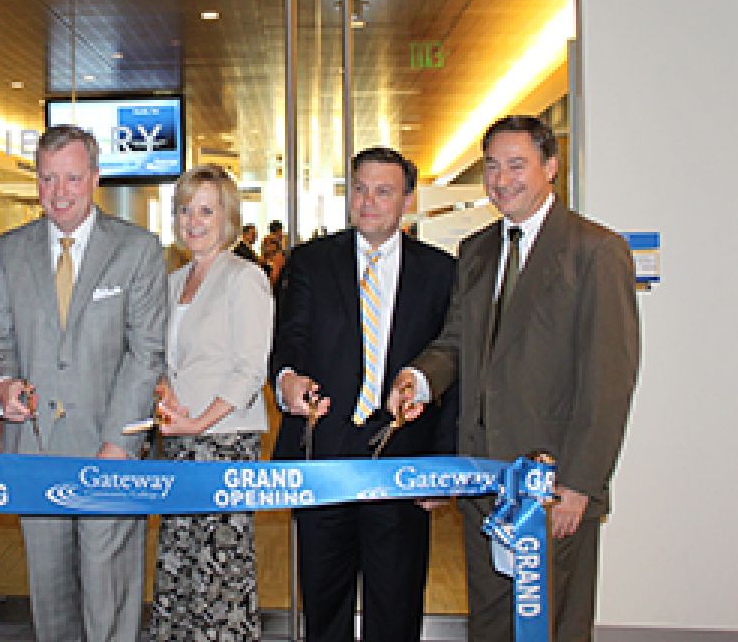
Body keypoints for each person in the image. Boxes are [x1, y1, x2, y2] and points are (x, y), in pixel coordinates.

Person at [387, 115, 639, 642]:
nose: (501, 180)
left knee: (554, 623)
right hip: (486, 481)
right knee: (492, 623)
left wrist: (578, 484)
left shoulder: (595, 251)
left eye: (516, 165)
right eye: (493, 167)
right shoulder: (477, 250)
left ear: (551, 166)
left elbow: (609, 380)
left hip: (553, 489)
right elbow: (456, 342)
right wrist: (418, 379)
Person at [0, 124, 166, 642]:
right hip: (34, 450)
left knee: (108, 594)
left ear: (95, 177)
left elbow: (146, 351)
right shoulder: (10, 252)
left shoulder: (137, 249)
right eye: (47, 179)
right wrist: (4, 387)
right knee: (50, 598)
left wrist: (119, 441)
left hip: (108, 447)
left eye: (71, 178)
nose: (59, 192)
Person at [270, 147, 456, 642]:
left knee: (395, 609)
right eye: (359, 189)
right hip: (325, 455)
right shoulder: (312, 261)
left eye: (383, 191)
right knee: (324, 605)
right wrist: (288, 379)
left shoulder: (440, 272)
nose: (368, 201)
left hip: (402, 460)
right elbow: (290, 338)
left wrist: (443, 464)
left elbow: (454, 366)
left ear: (407, 200)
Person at [149, 165, 272, 641]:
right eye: (185, 210)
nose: (193, 221)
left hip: (223, 442)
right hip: (181, 443)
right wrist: (165, 394)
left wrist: (198, 421)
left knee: (219, 572)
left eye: (206, 210)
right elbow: (168, 360)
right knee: (180, 567)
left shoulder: (245, 278)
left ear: (228, 218)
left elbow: (249, 370)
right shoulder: (174, 280)